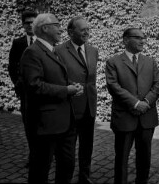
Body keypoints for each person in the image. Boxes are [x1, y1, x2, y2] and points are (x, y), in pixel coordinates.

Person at [20, 13, 83, 184]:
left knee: (67, 166)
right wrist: (66, 90)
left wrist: (72, 86)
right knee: (40, 169)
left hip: (65, 122)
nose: (61, 29)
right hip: (45, 124)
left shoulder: (53, 50)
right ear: (45, 28)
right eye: (57, 24)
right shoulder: (31, 53)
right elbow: (34, 86)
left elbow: (56, 77)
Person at [105, 28, 159, 184]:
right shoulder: (113, 62)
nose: (142, 40)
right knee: (122, 158)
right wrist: (136, 103)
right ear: (125, 40)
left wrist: (146, 103)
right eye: (137, 37)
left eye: (143, 38)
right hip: (124, 117)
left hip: (147, 117)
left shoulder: (150, 61)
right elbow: (113, 86)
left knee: (144, 156)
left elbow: (157, 85)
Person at [55, 16, 98, 184]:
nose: (87, 32)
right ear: (70, 32)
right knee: (67, 150)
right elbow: (56, 77)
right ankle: (65, 178)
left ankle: (84, 176)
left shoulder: (93, 50)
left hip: (89, 106)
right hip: (70, 107)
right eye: (83, 30)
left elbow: (90, 78)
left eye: (88, 29)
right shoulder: (58, 50)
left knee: (87, 146)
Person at [8, 10, 37, 166]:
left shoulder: (45, 42)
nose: (30, 25)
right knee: (28, 124)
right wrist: (17, 84)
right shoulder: (18, 43)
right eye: (27, 22)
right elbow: (11, 67)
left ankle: (45, 152)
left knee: (44, 123)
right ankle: (33, 154)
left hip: (42, 92)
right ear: (23, 25)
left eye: (33, 22)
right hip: (26, 93)